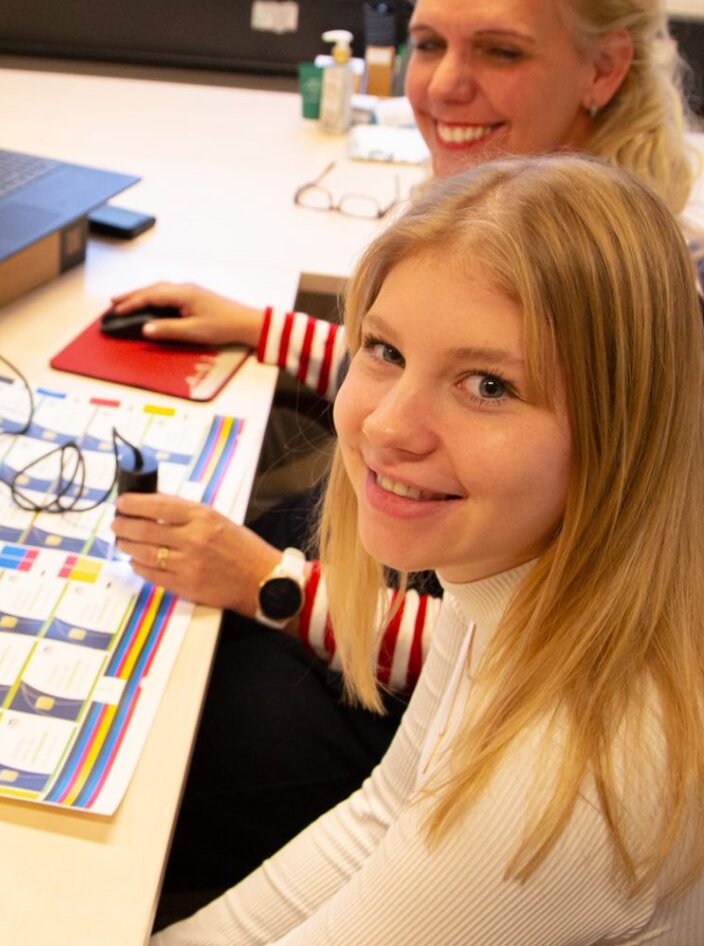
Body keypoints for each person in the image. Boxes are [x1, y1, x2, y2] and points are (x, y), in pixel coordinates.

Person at [114, 0, 702, 908]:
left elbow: (553, 620)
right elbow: (447, 365)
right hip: (441, 602)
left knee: (190, 748)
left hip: (431, 640)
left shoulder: (641, 298)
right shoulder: (520, 212)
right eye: (428, 44)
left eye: (500, 51)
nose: (441, 87)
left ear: (604, 68)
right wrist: (264, 328)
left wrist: (276, 587)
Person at [153, 152, 704, 945]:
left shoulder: (564, 778)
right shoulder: (508, 572)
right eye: (385, 351)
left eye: (488, 386)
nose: (386, 427)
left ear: (619, 435)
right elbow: (384, 811)